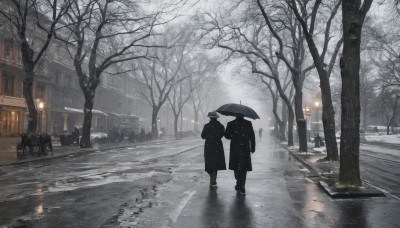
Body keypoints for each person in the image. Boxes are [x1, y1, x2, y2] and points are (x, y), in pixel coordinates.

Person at [224, 114, 256, 194]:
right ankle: (241, 185)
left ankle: (239, 183)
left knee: (236, 166)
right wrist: (252, 147)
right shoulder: (248, 123)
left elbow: (227, 136)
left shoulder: (231, 124)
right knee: (243, 168)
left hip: (235, 148)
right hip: (245, 148)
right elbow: (252, 136)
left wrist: (233, 136)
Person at [201, 111, 226, 187]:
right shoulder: (221, 126)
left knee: (209, 162)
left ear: (209, 117)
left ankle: (212, 176)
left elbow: (203, 136)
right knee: (216, 162)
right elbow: (222, 134)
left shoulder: (206, 126)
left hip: (209, 146)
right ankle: (213, 177)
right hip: (218, 146)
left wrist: (209, 136)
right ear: (216, 118)